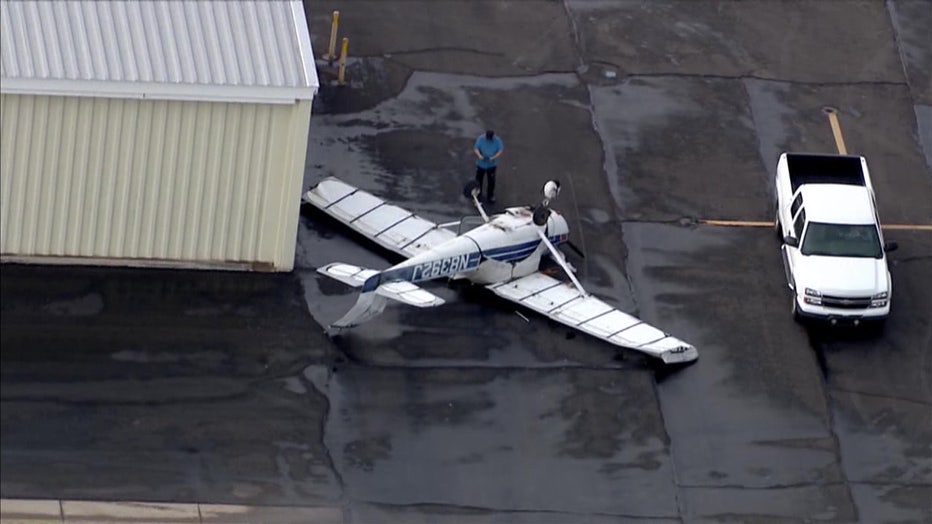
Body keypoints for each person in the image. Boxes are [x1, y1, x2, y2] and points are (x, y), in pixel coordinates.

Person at [473, 130, 504, 203]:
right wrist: (479, 155)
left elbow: (500, 150)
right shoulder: (481, 139)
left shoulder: (497, 141)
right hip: (481, 164)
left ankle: (490, 195)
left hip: (491, 165)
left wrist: (493, 157)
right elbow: (476, 148)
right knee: (478, 180)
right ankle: (478, 194)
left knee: (491, 181)